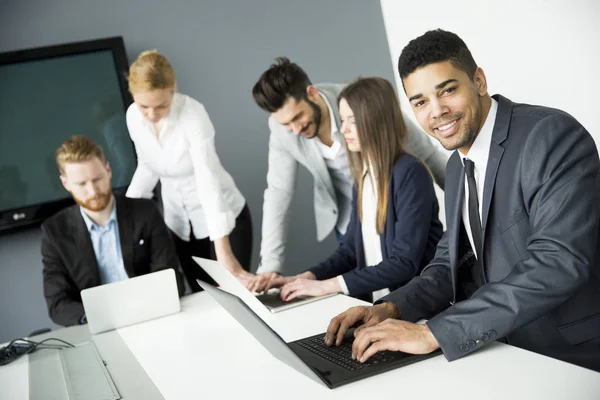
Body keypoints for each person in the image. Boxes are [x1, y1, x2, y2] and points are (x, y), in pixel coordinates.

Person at [325, 29, 600, 373]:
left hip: (567, 356)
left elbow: (559, 262)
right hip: (500, 348)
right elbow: (449, 262)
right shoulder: (456, 165)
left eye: (448, 90)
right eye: (421, 102)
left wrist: (433, 333)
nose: (437, 111)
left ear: (479, 81)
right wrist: (390, 308)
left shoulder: (550, 135)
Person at [250, 58, 449, 285]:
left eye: (298, 117)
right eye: (286, 124)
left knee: (394, 279)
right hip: (353, 219)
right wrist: (272, 268)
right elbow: (278, 192)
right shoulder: (281, 127)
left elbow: (429, 156)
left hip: (395, 213)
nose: (294, 129)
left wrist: (470, 208)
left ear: (312, 93)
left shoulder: (360, 104)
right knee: (363, 286)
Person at [125, 50, 253, 292]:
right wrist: (126, 213)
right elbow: (147, 166)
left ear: (173, 91)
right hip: (179, 223)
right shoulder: (133, 116)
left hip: (224, 219)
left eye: (161, 106)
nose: (151, 115)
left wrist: (223, 252)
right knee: (201, 299)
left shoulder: (193, 114)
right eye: (144, 106)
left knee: (233, 295)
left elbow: (207, 178)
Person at [41, 136, 184, 326]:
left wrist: (144, 309)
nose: (93, 191)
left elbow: (170, 276)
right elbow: (57, 303)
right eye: (81, 184)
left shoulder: (145, 212)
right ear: (66, 183)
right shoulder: (54, 232)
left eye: (97, 179)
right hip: (97, 325)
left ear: (108, 171)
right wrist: (98, 318)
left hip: (153, 317)